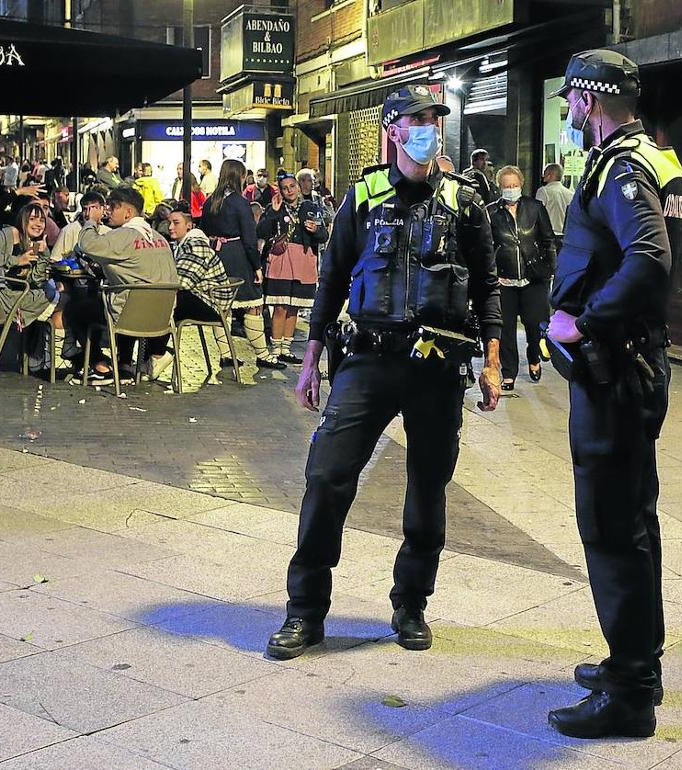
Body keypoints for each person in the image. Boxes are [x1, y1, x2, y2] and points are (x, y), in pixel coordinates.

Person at [265, 84, 502, 662]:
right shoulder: (364, 196)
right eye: (417, 119)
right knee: (326, 476)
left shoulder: (465, 202)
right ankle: (304, 611)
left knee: (428, 487)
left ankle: (411, 604)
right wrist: (310, 359)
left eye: (434, 119)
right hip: (368, 361)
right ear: (393, 130)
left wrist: (493, 361)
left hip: (437, 367)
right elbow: (332, 279)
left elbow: (489, 286)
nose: (429, 128)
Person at [545, 50, 682, 739]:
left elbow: (650, 259)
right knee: (633, 521)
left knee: (610, 527)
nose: (568, 111)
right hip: (632, 367)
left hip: (617, 372)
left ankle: (629, 694)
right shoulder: (649, 157)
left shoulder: (621, 169)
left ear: (588, 100)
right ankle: (636, 665)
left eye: (571, 100)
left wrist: (586, 319)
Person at [68, 186, 178, 384]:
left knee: (76, 309)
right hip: (161, 318)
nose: (108, 210)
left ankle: (99, 366)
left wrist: (91, 221)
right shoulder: (160, 238)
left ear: (128, 212)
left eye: (112, 206)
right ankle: (124, 365)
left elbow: (88, 244)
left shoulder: (122, 235)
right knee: (126, 293)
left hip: (129, 315)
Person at [199, 158, 283, 370]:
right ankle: (263, 355)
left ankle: (226, 355)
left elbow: (203, 230)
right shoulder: (240, 202)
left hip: (216, 256)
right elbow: (249, 238)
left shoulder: (210, 202)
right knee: (253, 304)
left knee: (223, 307)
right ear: (240, 176)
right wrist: (257, 267)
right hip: (237, 256)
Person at [488, 164, 556, 390]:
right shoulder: (492, 212)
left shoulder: (535, 207)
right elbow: (486, 246)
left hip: (533, 278)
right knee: (506, 329)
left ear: (522, 184)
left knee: (534, 324)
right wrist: (492, 273)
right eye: (507, 186)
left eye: (514, 185)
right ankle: (509, 372)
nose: (511, 189)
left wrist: (550, 268)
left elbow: (548, 240)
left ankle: (534, 357)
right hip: (504, 280)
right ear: (500, 187)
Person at [0, 201, 61, 371]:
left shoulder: (32, 243)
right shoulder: (8, 234)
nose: (38, 224)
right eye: (33, 219)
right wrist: (16, 260)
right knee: (59, 299)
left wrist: (43, 253)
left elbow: (37, 280)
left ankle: (35, 357)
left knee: (52, 292)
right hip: (2, 298)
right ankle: (44, 358)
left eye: (42, 220)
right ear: (23, 220)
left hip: (17, 294)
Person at [258, 173, 327, 364]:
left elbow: (324, 235)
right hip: (281, 259)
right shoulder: (274, 208)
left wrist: (316, 230)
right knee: (280, 307)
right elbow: (261, 232)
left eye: (292, 186)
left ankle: (286, 349)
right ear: (280, 191)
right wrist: (273, 212)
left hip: (303, 259)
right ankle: (275, 349)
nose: (289, 191)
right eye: (285, 188)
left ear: (298, 187)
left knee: (294, 307)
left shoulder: (310, 207)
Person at [166, 202, 230, 329]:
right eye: (169, 223)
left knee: (161, 305)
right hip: (201, 296)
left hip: (212, 305)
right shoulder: (183, 245)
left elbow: (182, 283)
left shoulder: (195, 245)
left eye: (176, 223)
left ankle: (152, 340)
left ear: (189, 225)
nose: (170, 227)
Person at [51, 190, 107, 263]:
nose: (88, 214)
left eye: (93, 209)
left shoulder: (108, 233)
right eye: (85, 209)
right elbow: (55, 260)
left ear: (102, 209)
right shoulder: (68, 231)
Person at [536, 162, 574, 251]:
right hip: (565, 237)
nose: (543, 176)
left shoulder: (543, 191)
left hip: (548, 237)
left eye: (545, 173)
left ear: (549, 175)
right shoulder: (571, 194)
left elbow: (537, 214)